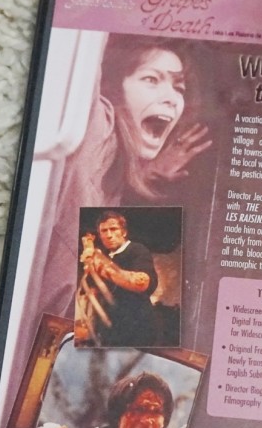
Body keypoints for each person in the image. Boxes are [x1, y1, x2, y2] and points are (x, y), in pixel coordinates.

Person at [43, 35, 211, 318]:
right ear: (113, 88)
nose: (172, 98)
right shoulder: (96, 123)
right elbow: (87, 45)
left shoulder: (114, 174)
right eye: (151, 79)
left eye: (178, 87)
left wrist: (149, 172)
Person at [78, 210, 159, 347]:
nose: (108, 235)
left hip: (137, 329)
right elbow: (91, 293)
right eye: (104, 231)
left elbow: (142, 283)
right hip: (108, 331)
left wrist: (102, 267)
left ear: (124, 232)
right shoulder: (104, 256)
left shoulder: (137, 250)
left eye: (113, 229)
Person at [73, 373, 174, 428]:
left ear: (164, 420)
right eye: (138, 410)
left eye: (156, 412)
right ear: (118, 415)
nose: (146, 421)